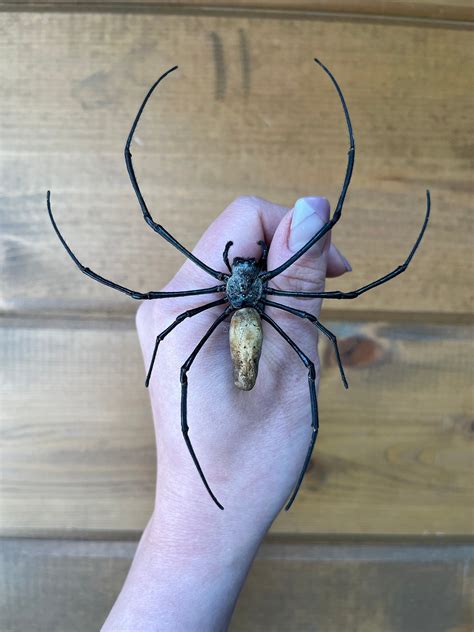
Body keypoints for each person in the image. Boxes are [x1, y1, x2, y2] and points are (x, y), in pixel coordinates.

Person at [101, 195, 351, 631]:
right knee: (296, 365)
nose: (245, 274)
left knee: (295, 366)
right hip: (251, 318)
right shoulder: (256, 282)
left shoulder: (224, 281)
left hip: (246, 319)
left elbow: (166, 330)